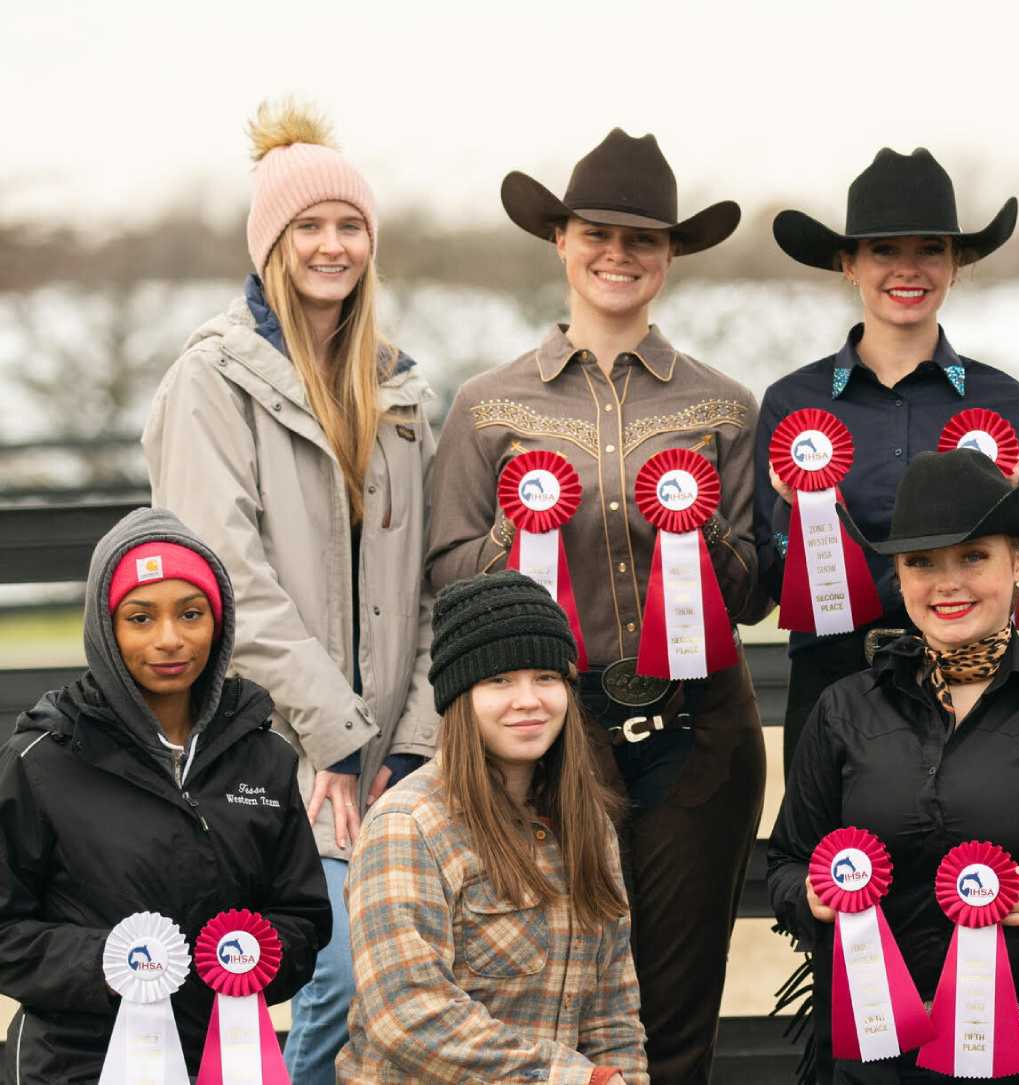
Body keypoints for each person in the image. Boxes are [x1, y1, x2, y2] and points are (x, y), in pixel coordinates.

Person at [424, 127, 769, 1084]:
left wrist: (689, 536)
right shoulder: (488, 408)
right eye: (598, 234)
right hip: (548, 737)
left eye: (643, 239)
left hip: (698, 730)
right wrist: (519, 526)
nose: (618, 254)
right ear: (561, 242)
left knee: (676, 1002)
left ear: (670, 257)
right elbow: (449, 572)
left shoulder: (726, 406)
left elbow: (758, 582)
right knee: (546, 990)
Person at [139, 98, 437, 1085]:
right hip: (276, 749)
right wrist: (338, 737)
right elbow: (221, 576)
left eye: (349, 224)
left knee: (403, 997)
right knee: (338, 981)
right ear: (271, 242)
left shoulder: (400, 394)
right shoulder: (210, 384)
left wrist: (408, 742)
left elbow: (436, 585)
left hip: (394, 761)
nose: (332, 244)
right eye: (307, 225)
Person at [766, 450, 1019, 1084]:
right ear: (900, 579)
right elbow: (786, 864)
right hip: (880, 1053)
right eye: (921, 563)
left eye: (973, 556)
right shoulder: (842, 711)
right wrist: (812, 896)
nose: (946, 583)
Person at [0, 508, 328, 1085]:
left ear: (218, 623)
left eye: (191, 614)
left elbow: (302, 917)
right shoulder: (42, 760)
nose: (170, 639)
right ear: (107, 629)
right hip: (73, 1067)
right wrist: (115, 964)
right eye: (140, 618)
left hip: (225, 1062)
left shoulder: (266, 756)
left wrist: (246, 959)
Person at [758, 146, 1019, 768]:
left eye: (930, 250)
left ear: (955, 264)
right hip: (833, 682)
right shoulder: (791, 403)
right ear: (848, 263)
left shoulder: (1008, 403)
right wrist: (794, 522)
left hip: (981, 686)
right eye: (884, 250)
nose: (908, 269)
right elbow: (764, 570)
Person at [338, 571, 647, 1084]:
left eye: (546, 678)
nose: (528, 700)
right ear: (460, 697)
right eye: (499, 680)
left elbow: (613, 1011)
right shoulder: (407, 827)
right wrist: (569, 1079)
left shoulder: (589, 824)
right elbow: (408, 1015)